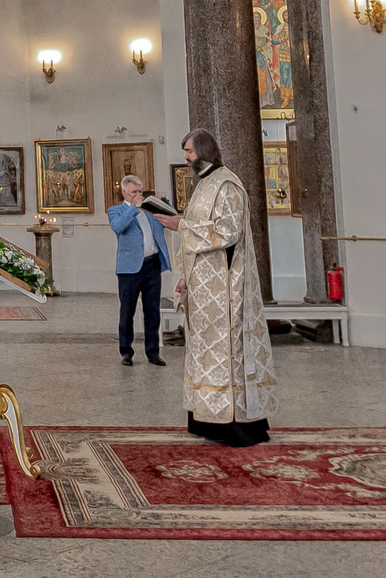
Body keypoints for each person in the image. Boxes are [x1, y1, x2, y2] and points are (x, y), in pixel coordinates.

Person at [173, 130, 275, 444]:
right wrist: (185, 275)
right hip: (204, 288)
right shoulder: (204, 183)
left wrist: (179, 224)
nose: (186, 157)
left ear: (203, 150)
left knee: (223, 354)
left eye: (189, 151)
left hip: (223, 290)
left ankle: (232, 424)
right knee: (204, 354)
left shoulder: (227, 184)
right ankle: (206, 420)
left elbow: (228, 232)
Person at [108, 173, 171, 367]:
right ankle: (126, 352)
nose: (138, 195)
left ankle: (153, 352)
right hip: (129, 268)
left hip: (151, 264)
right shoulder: (116, 210)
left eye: (140, 191)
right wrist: (133, 208)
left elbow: (172, 217)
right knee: (127, 311)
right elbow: (118, 227)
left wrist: (162, 203)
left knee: (152, 310)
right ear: (124, 192)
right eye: (134, 192)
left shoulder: (149, 210)